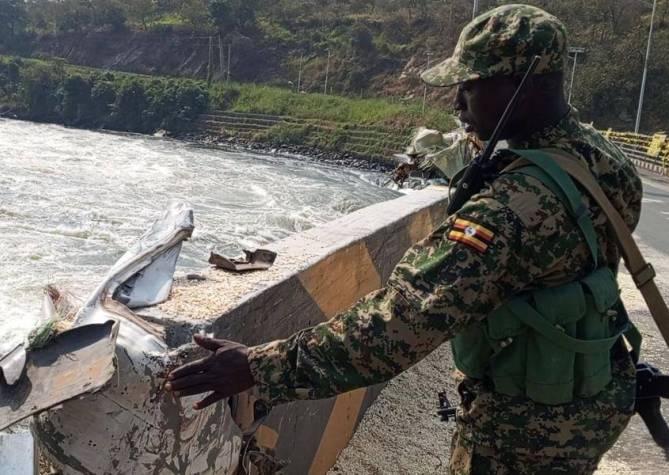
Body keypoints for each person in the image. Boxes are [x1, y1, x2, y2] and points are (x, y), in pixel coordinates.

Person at [166, 4, 644, 473]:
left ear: (524, 87)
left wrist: (258, 368)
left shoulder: (511, 210)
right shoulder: (605, 161)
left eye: (471, 86)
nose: (457, 103)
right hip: (592, 401)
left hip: (523, 436)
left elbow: (400, 324)